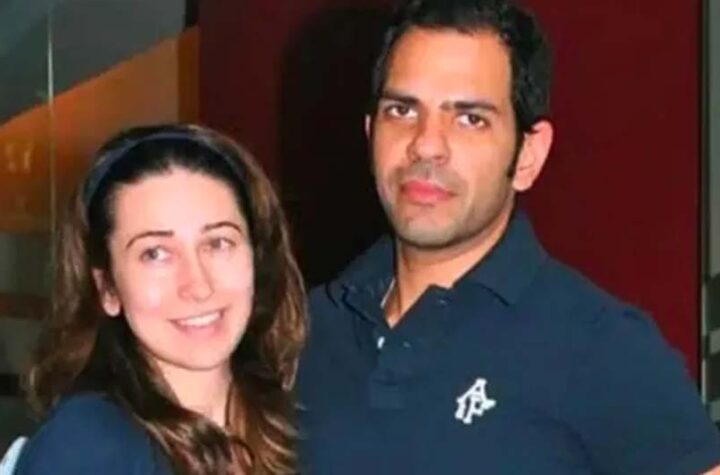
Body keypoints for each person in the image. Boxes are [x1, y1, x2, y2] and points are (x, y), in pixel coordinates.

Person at [296, 0, 720, 473]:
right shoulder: (299, 334)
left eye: (470, 118)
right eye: (403, 110)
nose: (426, 144)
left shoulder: (602, 347)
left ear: (527, 155)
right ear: (370, 132)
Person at [14, 124, 306, 474]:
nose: (198, 286)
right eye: (155, 254)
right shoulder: (87, 447)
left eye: (218, 243)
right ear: (107, 288)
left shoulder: (302, 414)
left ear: (257, 259)